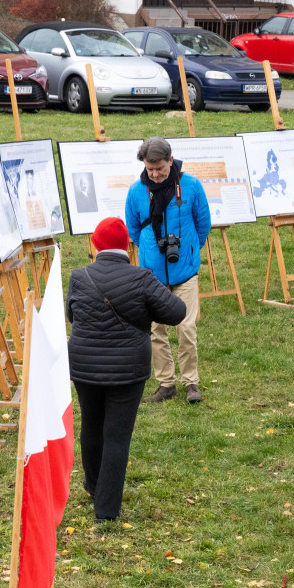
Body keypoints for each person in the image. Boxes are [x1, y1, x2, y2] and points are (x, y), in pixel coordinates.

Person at [66, 217, 186, 521]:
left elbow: (71, 314)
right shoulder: (142, 278)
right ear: (128, 246)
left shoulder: (79, 276)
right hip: (127, 369)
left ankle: (94, 485)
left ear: (95, 244)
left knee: (91, 426)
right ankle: (106, 510)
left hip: (84, 365)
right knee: (117, 436)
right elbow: (176, 311)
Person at [126, 137, 211, 403]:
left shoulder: (191, 186)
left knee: (186, 328)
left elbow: (203, 224)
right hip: (150, 275)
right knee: (155, 329)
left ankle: (191, 383)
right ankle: (166, 384)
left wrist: (188, 252)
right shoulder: (136, 191)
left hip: (185, 271)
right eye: (150, 169)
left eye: (159, 168)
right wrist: (150, 254)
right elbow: (134, 231)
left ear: (170, 161)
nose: (155, 174)